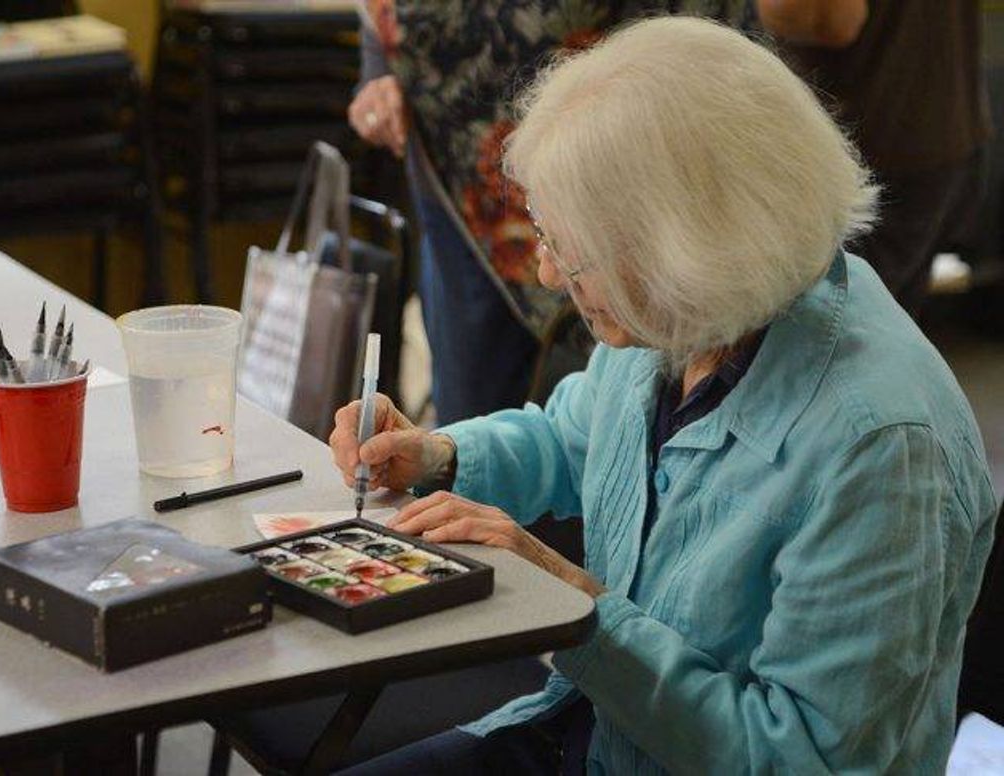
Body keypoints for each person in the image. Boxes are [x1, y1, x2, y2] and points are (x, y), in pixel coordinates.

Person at [330, 17, 998, 774]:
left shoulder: (878, 450)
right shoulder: (695, 316)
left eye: (567, 248)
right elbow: (572, 437)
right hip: (590, 731)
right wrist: (437, 455)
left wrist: (576, 613)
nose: (548, 275)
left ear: (685, 250)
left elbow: (799, 761)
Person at [348, 1, 754, 424]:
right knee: (474, 412)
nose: (549, 269)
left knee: (622, 421)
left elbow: (710, 52)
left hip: (620, 196)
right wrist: (378, 74)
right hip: (459, 200)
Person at [757, 0, 990, 318]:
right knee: (882, 332)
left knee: (819, 339)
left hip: (862, 150)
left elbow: (824, 18)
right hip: (937, 123)